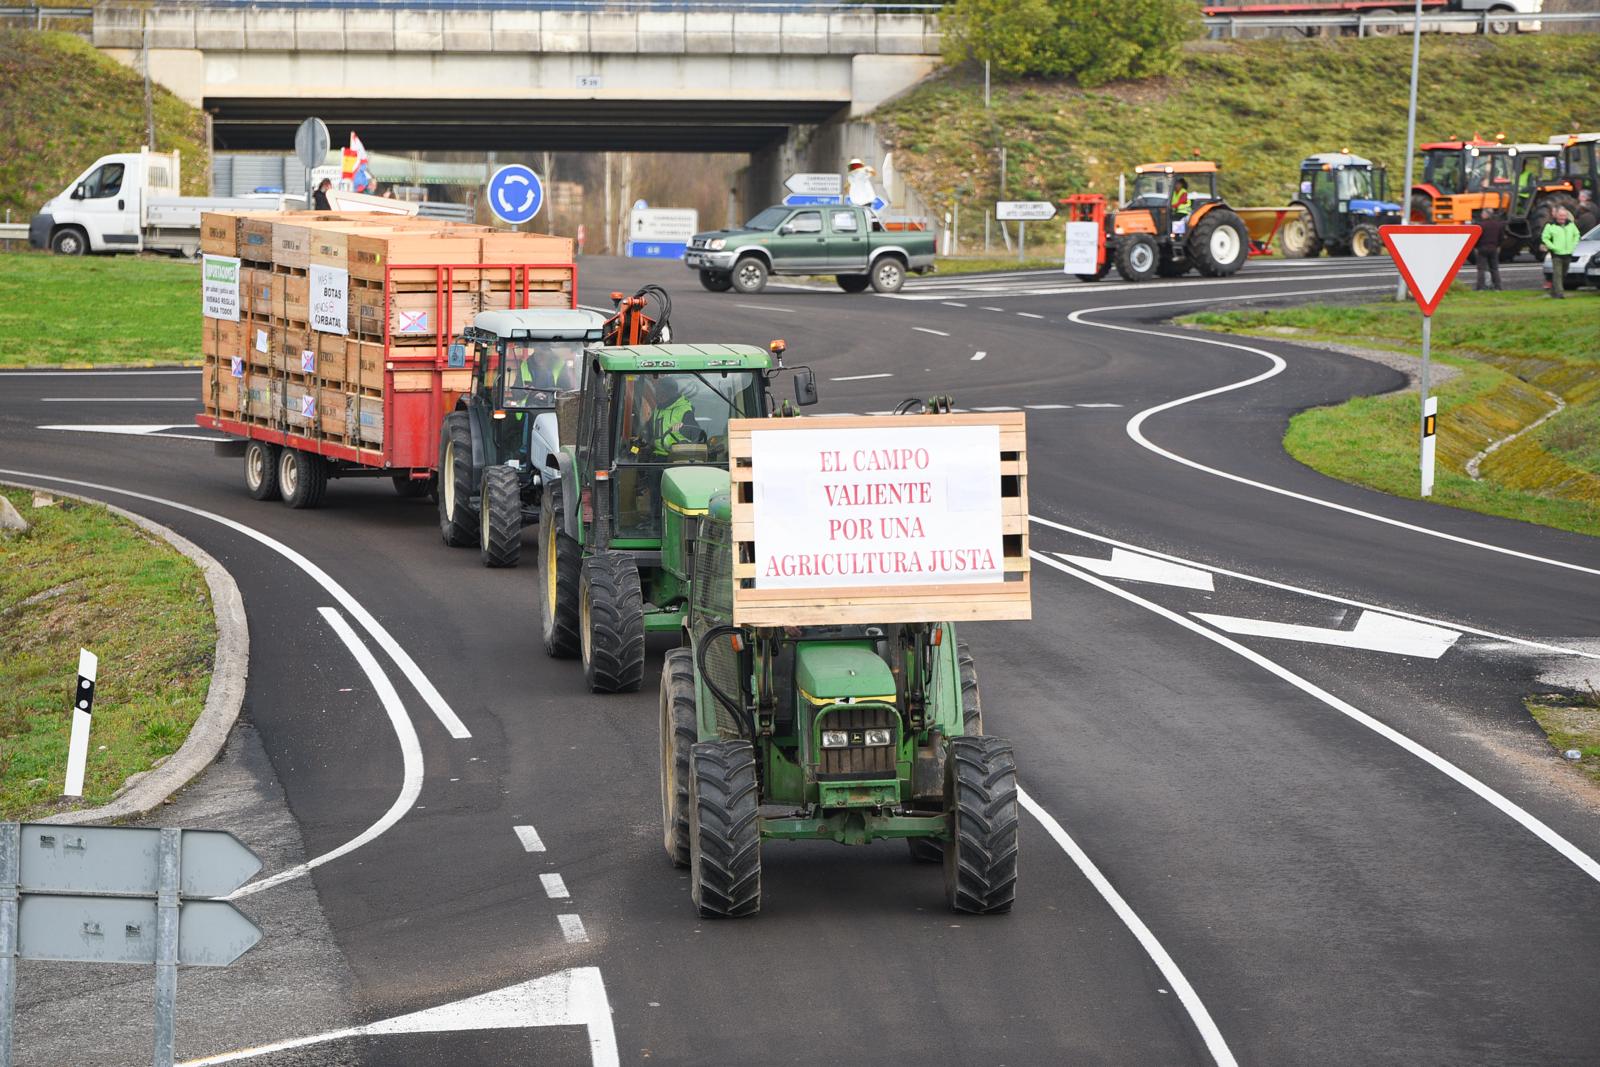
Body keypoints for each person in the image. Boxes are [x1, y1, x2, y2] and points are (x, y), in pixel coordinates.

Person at [1542, 206, 1580, 299]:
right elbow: (1545, 238)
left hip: (1568, 253)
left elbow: (1577, 235)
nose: (1562, 218)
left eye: (1563, 216)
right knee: (1557, 273)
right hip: (1556, 254)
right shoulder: (1550, 225)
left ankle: (1553, 291)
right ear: (1556, 216)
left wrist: (1573, 245)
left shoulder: (1571, 225)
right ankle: (1559, 294)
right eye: (1560, 216)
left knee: (1564, 273)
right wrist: (1553, 247)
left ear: (1566, 216)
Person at [1473, 209, 1504, 291]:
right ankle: (1498, 286)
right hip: (1493, 248)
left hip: (1482, 248)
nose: (1481, 215)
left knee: (1481, 269)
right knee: (1494, 268)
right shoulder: (1498, 225)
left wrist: (1476, 247)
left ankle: (1480, 287)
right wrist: (1499, 246)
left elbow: (1476, 238)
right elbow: (1501, 237)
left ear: (1487, 215)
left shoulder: (1480, 225)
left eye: (1483, 213)